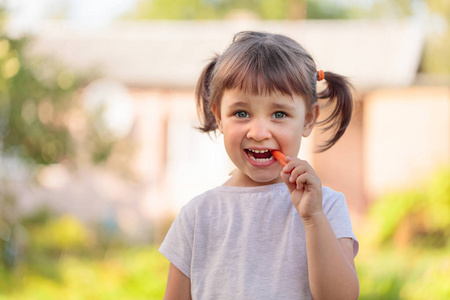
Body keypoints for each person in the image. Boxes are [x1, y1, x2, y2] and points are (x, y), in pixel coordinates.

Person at [160, 31, 359, 300]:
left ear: (309, 119)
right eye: (241, 113)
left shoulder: (326, 207)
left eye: (279, 114)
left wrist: (313, 219)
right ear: (219, 116)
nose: (258, 132)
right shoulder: (197, 216)